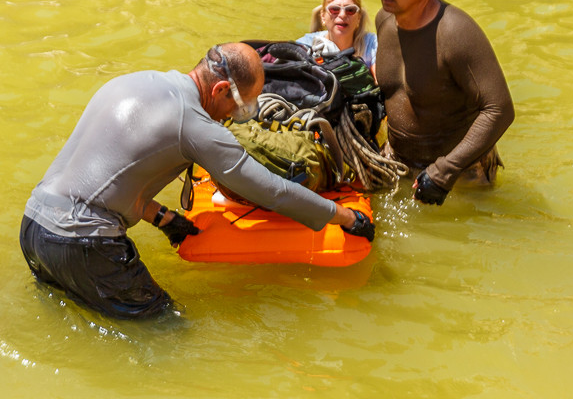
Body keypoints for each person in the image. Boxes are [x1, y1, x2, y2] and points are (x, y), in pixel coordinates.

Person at [19, 42, 375, 320]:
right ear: (220, 90)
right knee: (167, 333)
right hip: (82, 243)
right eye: (241, 107)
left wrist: (165, 219)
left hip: (34, 227)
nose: (235, 117)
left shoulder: (134, 81)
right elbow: (273, 190)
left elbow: (109, 178)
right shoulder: (194, 124)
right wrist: (345, 217)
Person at [366, 0, 515, 205]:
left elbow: (499, 108)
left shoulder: (456, 33)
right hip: (398, 161)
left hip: (459, 173)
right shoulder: (384, 20)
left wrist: (447, 169)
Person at [297, 0, 378, 75]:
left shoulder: (372, 44)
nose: (342, 15)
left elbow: (381, 81)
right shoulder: (305, 45)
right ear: (323, 17)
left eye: (350, 10)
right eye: (334, 9)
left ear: (358, 18)